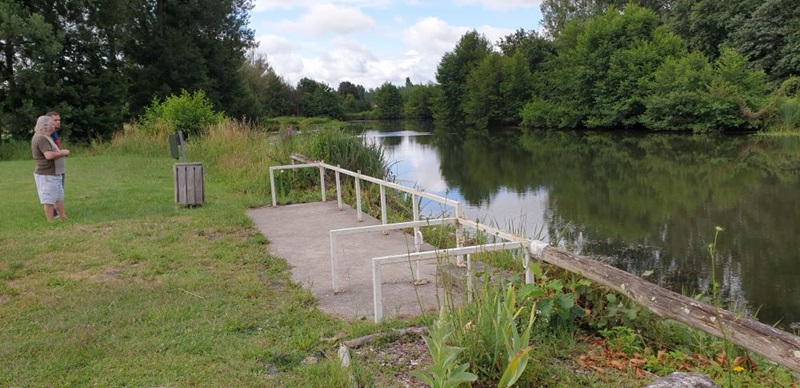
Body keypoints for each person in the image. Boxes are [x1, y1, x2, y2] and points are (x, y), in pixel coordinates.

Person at [31, 115, 70, 221]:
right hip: (47, 174)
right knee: (48, 199)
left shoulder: (46, 137)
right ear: (46, 126)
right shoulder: (41, 138)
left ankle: (63, 218)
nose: (54, 127)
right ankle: (50, 221)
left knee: (58, 197)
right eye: (52, 125)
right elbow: (48, 155)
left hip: (54, 173)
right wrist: (62, 152)